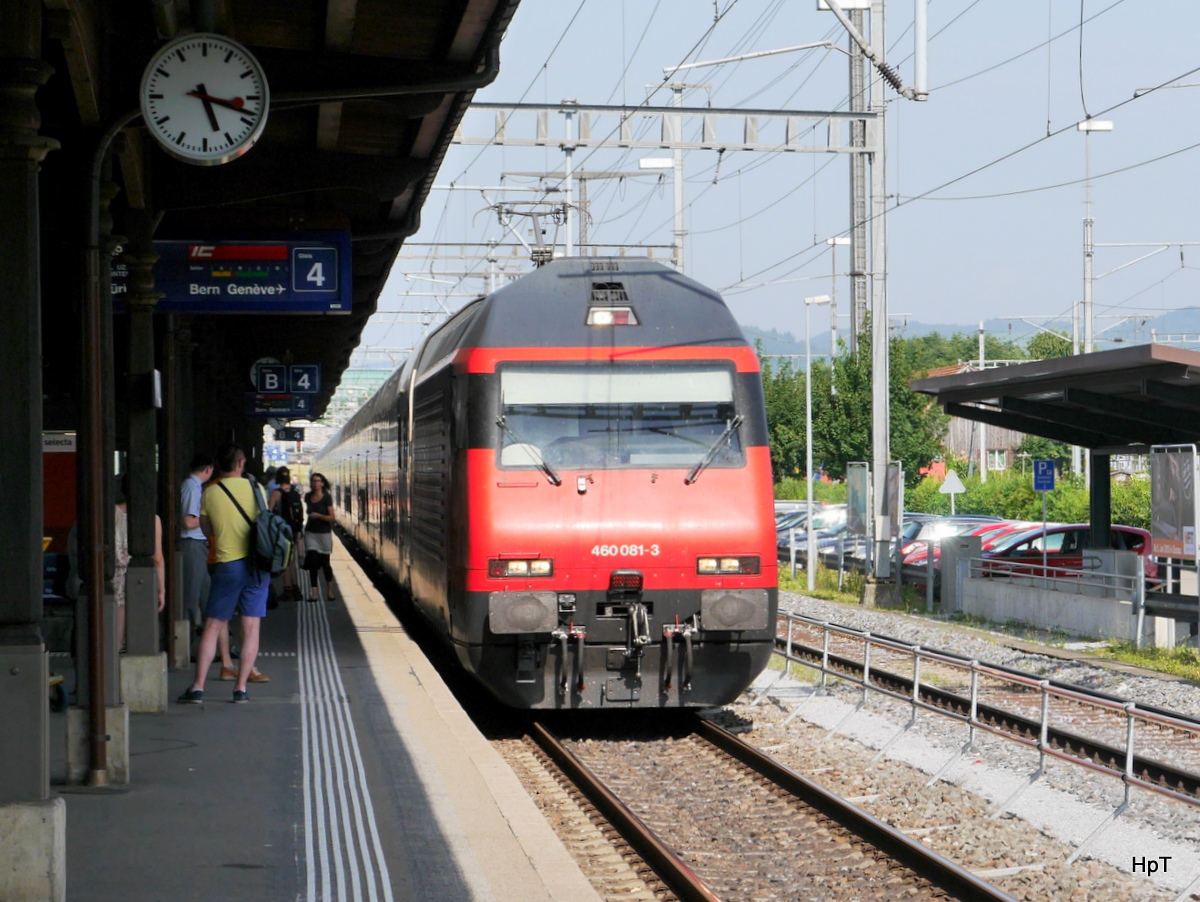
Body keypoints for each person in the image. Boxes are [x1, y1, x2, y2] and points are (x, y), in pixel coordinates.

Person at [178, 443, 269, 704]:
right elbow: (265, 524)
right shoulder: (257, 489)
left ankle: (197, 688)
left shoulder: (210, 492)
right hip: (256, 566)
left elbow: (207, 529)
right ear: (240, 464)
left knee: (213, 624)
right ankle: (240, 689)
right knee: (251, 627)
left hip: (227, 564)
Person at [114, 473, 166, 651]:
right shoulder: (152, 519)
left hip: (112, 578)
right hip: (139, 581)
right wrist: (161, 590)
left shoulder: (110, 515)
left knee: (114, 636)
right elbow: (157, 558)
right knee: (139, 637)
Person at [179, 452, 214, 633]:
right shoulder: (192, 488)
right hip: (192, 544)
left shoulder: (192, 486)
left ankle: (208, 639)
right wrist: (210, 520)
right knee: (193, 595)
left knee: (204, 593)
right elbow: (188, 521)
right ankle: (189, 642)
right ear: (208, 470)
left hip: (197, 546)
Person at [268, 466, 304, 601]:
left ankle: (287, 589)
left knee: (284, 560)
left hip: (282, 531)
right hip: (294, 530)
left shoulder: (276, 493)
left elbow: (269, 512)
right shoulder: (294, 491)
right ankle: (296, 588)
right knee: (292, 560)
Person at [303, 472, 337, 602]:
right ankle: (314, 593)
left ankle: (330, 591)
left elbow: (332, 517)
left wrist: (319, 516)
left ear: (322, 483)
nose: (315, 483)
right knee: (312, 561)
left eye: (317, 481)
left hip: (324, 534)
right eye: (313, 481)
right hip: (310, 533)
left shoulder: (327, 497)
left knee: (325, 563)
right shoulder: (307, 496)